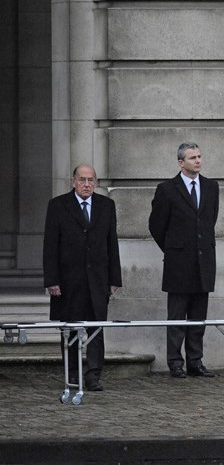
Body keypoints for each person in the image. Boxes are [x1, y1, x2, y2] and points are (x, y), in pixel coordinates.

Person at [43, 164, 122, 391]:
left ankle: (94, 375)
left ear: (95, 182)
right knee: (71, 329)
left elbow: (112, 244)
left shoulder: (106, 206)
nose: (86, 184)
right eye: (82, 180)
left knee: (96, 329)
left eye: (90, 180)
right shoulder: (58, 206)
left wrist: (114, 279)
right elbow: (50, 246)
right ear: (73, 182)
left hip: (98, 280)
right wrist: (52, 280)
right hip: (69, 281)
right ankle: (73, 374)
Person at [149, 142, 219, 378]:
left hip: (204, 263)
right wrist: (173, 249)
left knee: (198, 318)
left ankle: (195, 361)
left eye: (199, 156)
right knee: (177, 317)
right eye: (192, 157)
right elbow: (156, 225)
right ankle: (175, 362)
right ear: (181, 162)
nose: (198, 161)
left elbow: (209, 221)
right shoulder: (167, 189)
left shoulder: (211, 187)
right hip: (178, 264)